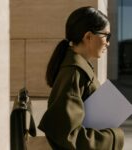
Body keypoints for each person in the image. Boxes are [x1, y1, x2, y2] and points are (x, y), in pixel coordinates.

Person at [38, 6, 124, 150]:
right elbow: (67, 135)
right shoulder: (74, 73)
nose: (108, 43)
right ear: (88, 37)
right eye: (106, 36)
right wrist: (115, 136)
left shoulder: (78, 67)